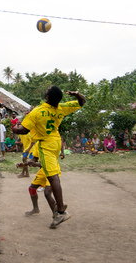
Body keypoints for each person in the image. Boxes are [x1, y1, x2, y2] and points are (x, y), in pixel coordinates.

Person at [12, 86, 85, 229]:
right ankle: (57, 209)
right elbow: (82, 102)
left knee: (53, 177)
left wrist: (14, 128)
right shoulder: (61, 108)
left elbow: (23, 129)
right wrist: (76, 93)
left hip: (46, 144)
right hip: (56, 142)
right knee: (50, 179)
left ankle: (61, 211)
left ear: (47, 97)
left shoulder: (37, 111)